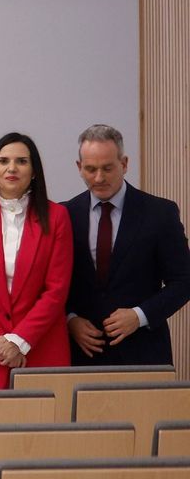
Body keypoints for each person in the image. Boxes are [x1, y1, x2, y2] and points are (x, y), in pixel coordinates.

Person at [0, 133, 73, 388]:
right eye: (3, 160)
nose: (12, 168)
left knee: (43, 424)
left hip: (41, 345)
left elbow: (56, 289)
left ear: (34, 171)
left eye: (21, 161)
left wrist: (19, 340)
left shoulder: (57, 217)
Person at [65, 124, 190, 367]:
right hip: (81, 354)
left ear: (124, 164)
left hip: (143, 351)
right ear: (79, 168)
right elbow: (51, 282)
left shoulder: (160, 213)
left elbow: (184, 281)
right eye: (90, 169)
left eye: (108, 168)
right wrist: (69, 320)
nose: (99, 178)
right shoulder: (64, 215)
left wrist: (139, 315)